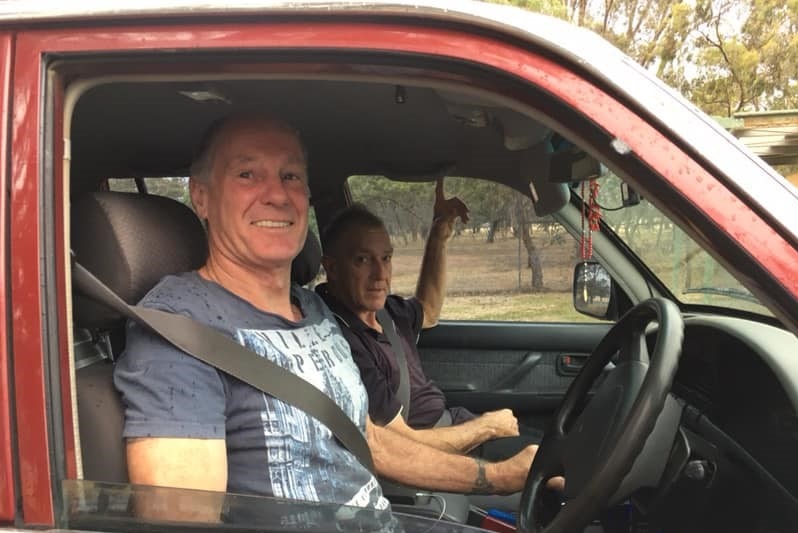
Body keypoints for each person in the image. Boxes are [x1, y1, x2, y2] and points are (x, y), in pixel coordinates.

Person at [112, 114, 541, 523]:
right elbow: (183, 520)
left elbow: (370, 441)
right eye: (247, 174)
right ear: (201, 196)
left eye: (291, 175)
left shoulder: (313, 309)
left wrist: (499, 477)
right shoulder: (180, 328)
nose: (277, 195)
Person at [316, 186, 542, 462]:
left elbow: (429, 310)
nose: (380, 274)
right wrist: (486, 427)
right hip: (432, 456)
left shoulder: (385, 310)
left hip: (452, 426)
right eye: (362, 260)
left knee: (558, 446)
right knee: (560, 466)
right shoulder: (337, 341)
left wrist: (439, 231)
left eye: (385, 258)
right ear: (332, 268)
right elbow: (399, 445)